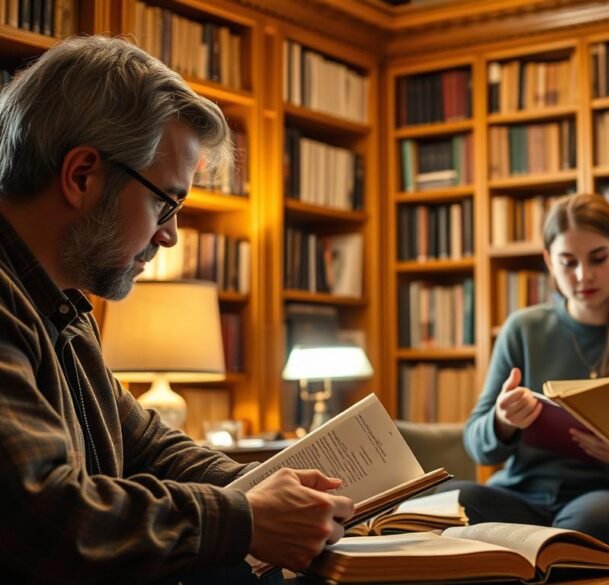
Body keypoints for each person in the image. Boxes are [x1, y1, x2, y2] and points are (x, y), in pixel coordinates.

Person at [0, 36, 354, 584]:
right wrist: (246, 518)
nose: (169, 236)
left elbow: (144, 442)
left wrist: (266, 484)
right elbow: (48, 515)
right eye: (166, 202)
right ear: (81, 176)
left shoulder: (62, 307)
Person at [455, 193, 609, 554]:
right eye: (568, 262)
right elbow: (477, 446)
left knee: (585, 527)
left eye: (598, 259)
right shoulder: (524, 328)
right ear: (549, 263)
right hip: (522, 492)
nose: (584, 275)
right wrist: (503, 421)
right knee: (445, 503)